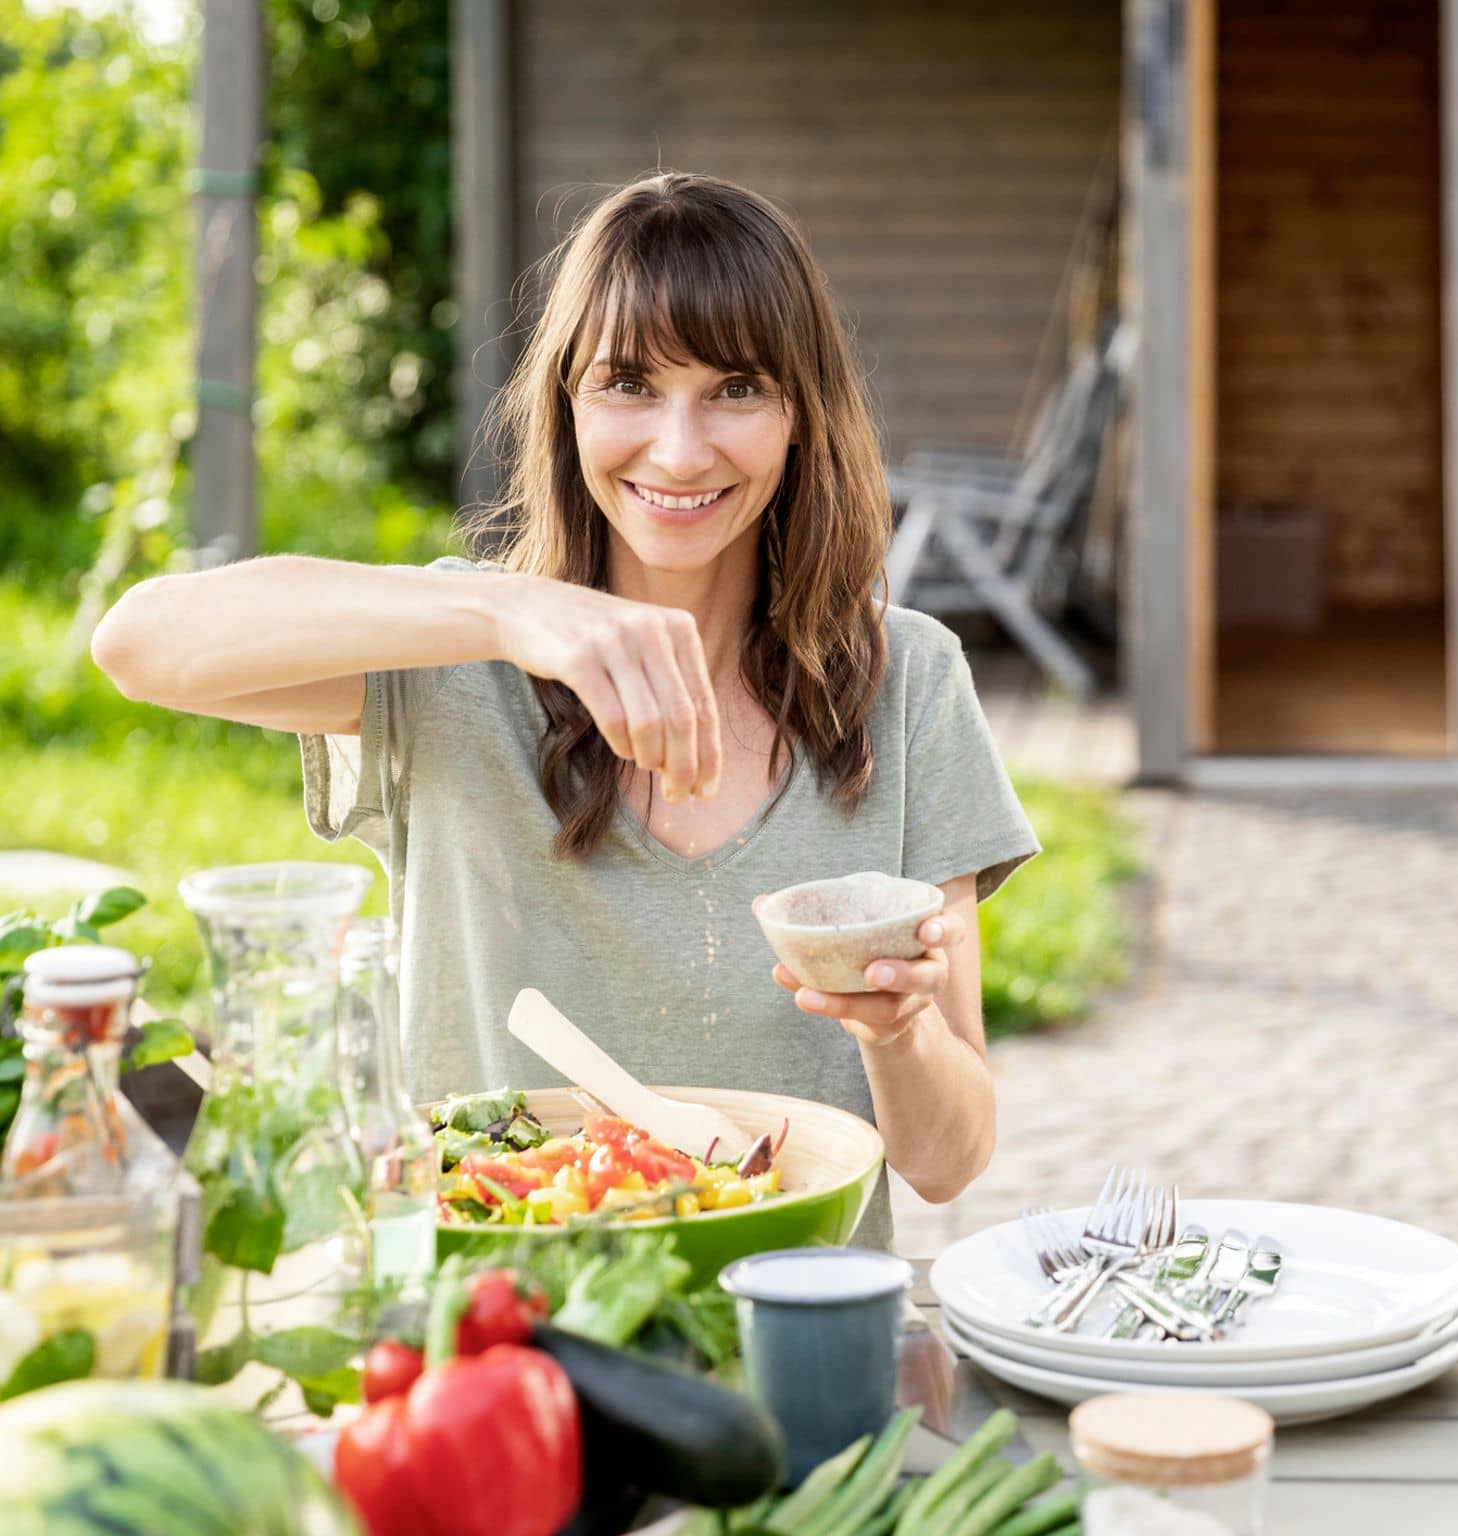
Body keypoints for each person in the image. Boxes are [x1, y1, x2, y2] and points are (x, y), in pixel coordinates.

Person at [91, 172, 1039, 1247]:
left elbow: (948, 1162)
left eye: (736, 389)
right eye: (627, 384)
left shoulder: (907, 684)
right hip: (490, 1350)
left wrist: (900, 1027)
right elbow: (135, 645)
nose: (679, 452)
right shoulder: (459, 669)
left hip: (791, 1353)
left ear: (801, 415)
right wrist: (504, 607)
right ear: (564, 405)